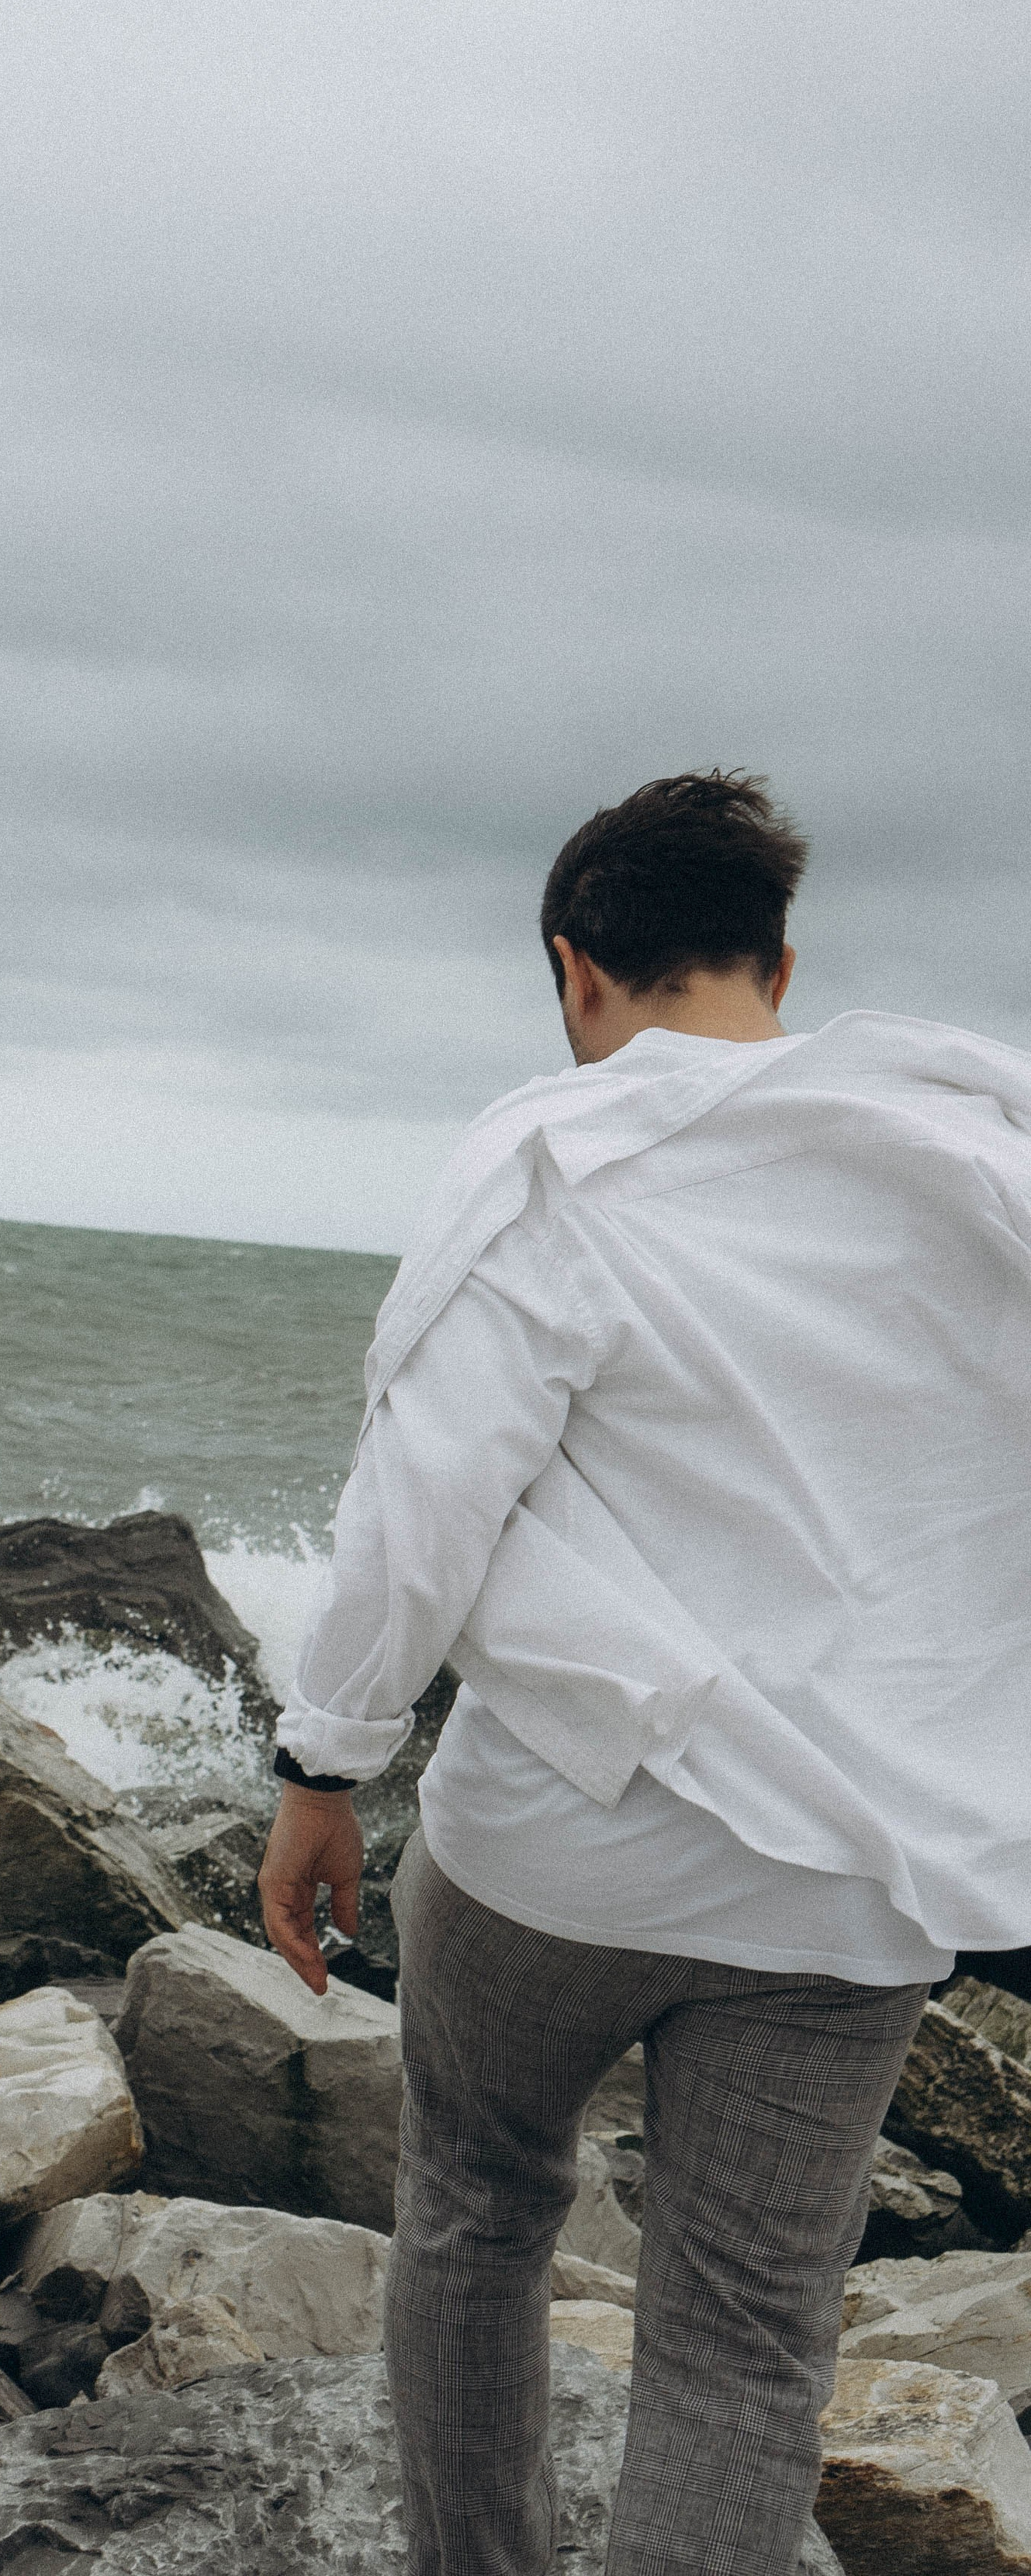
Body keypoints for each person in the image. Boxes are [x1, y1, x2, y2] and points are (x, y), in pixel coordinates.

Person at [257, 770, 1031, 2576]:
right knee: (745, 2342)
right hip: (853, 1875)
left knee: (474, 2207)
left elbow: (420, 1513)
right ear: (779, 966)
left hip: (560, 1846)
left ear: (571, 966)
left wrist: (321, 1770)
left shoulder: (553, 1168)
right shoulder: (979, 1170)